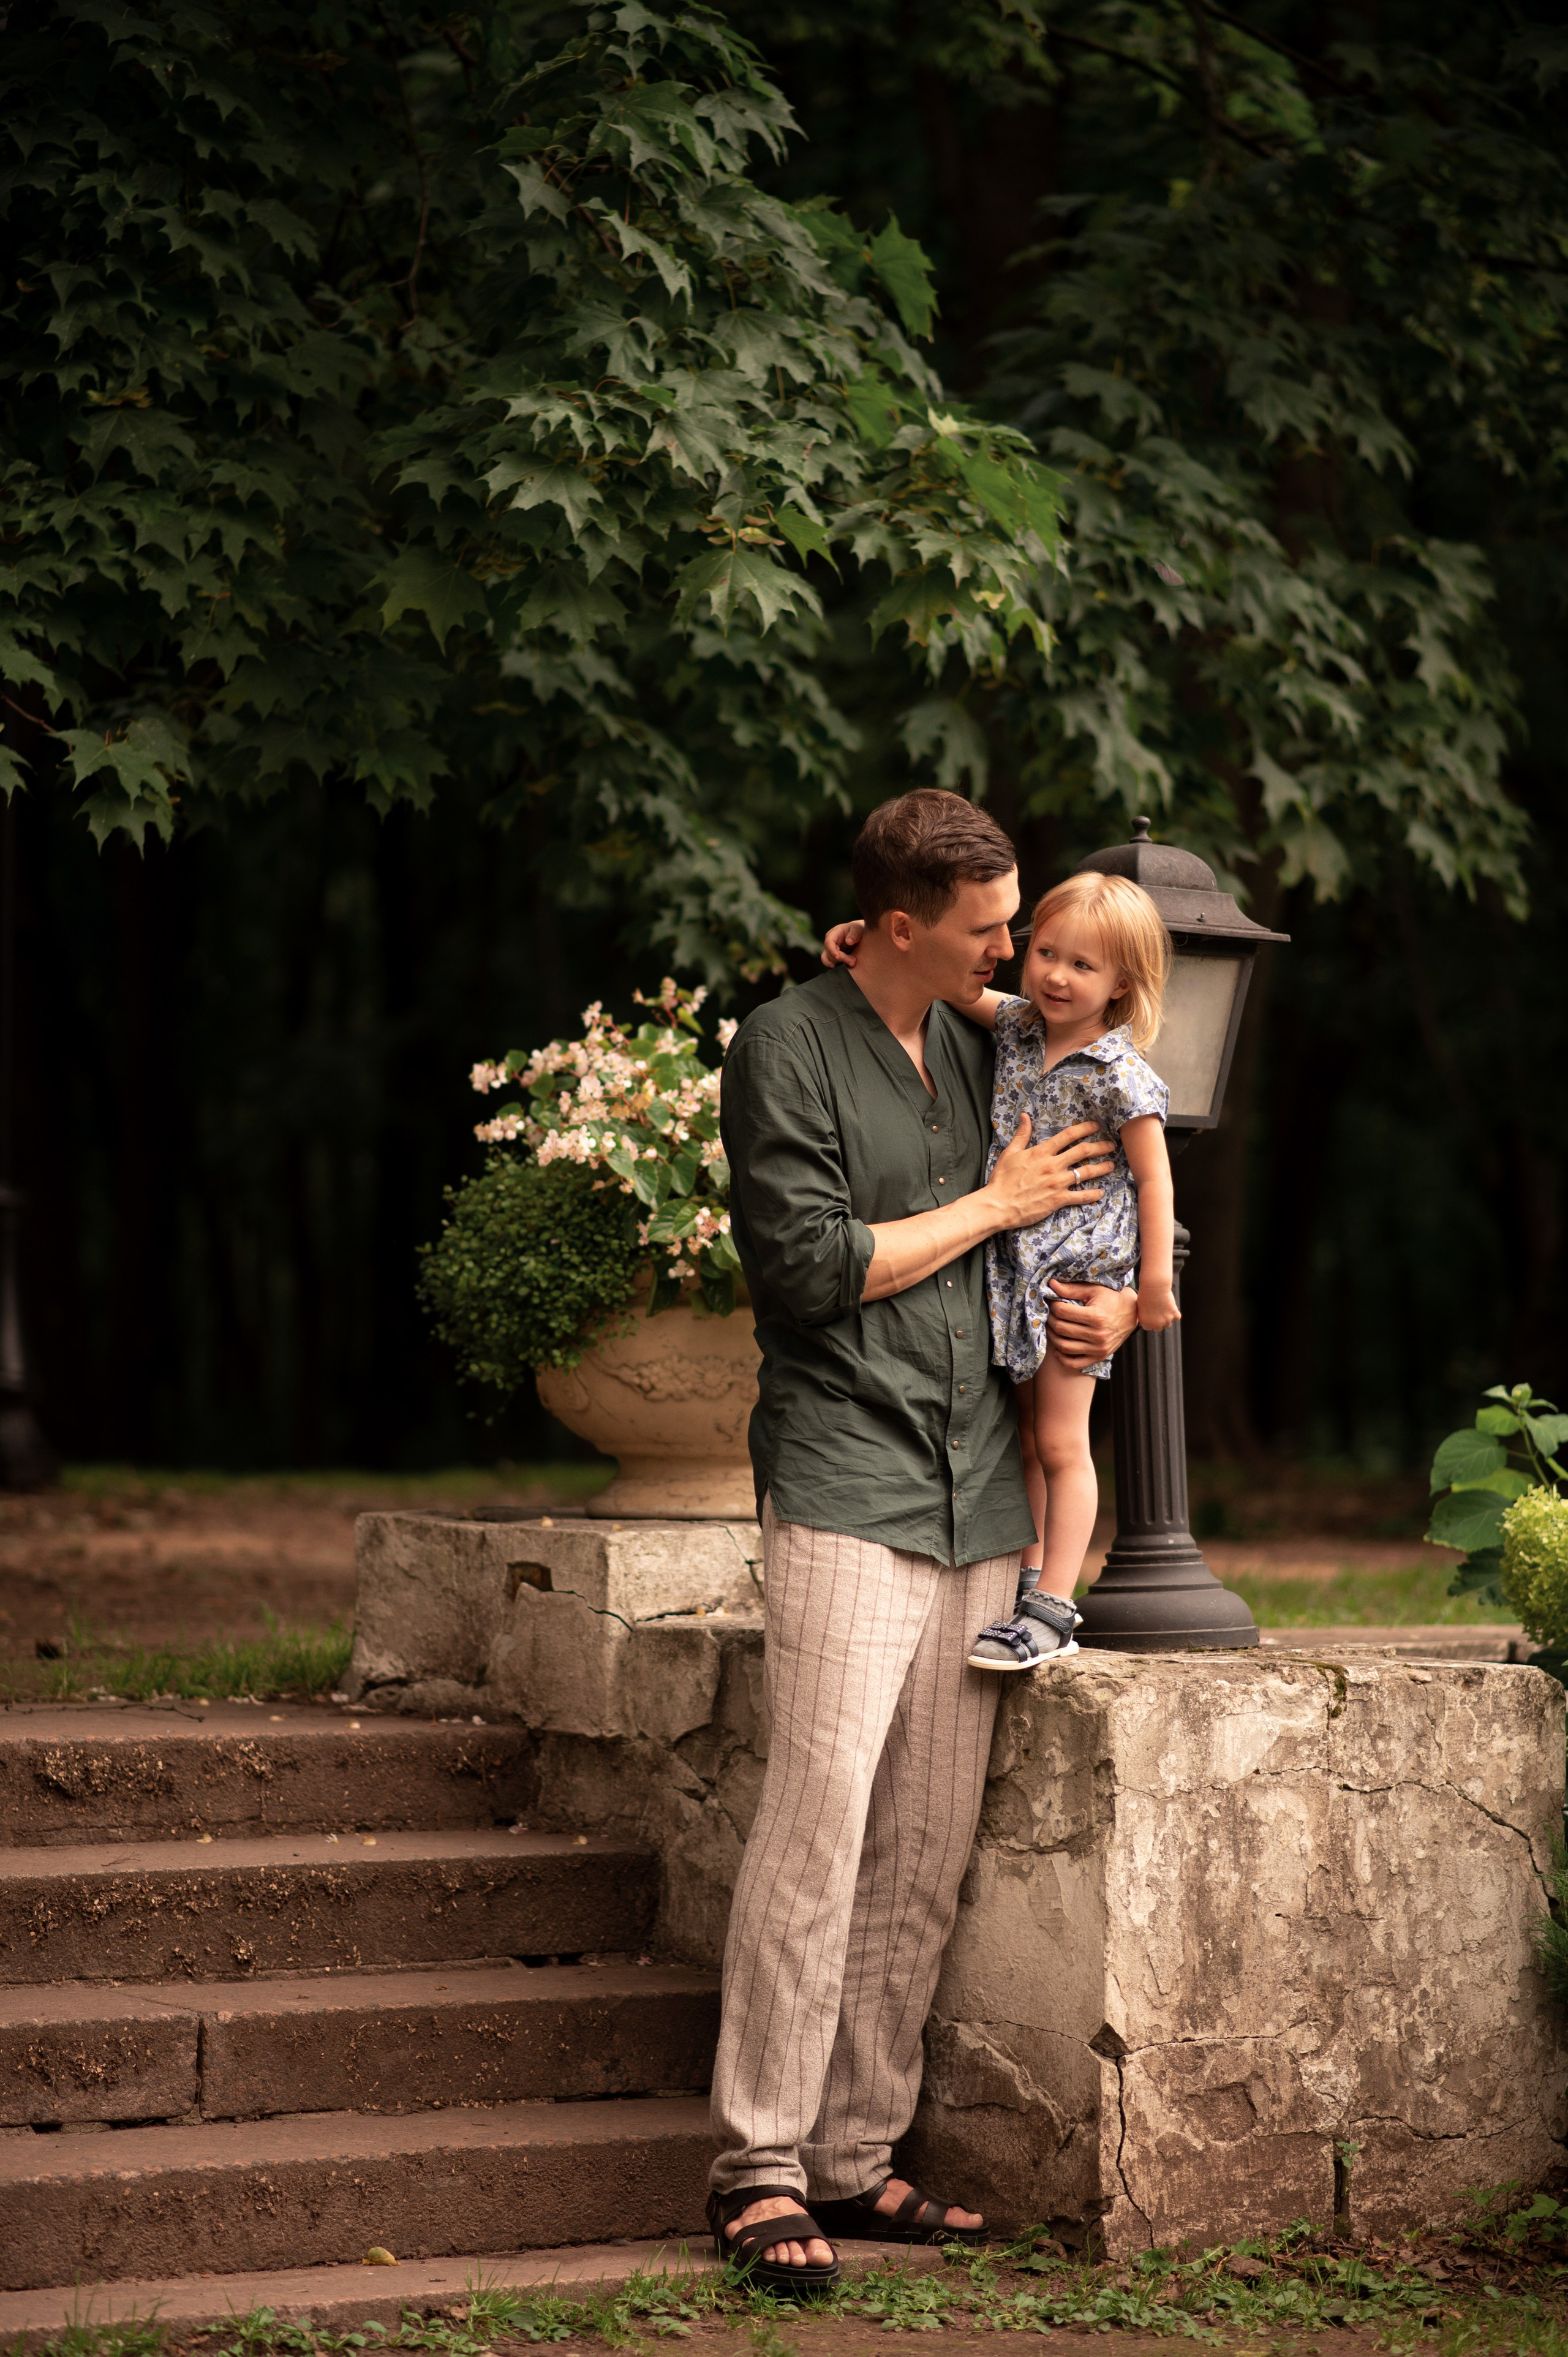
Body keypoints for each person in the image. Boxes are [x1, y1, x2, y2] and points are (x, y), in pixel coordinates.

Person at [706, 790, 1140, 2298]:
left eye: (1013, 926)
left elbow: (1080, 1179)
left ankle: (850, 2150)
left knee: (918, 1849)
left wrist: (1095, 1299)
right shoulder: (784, 1048)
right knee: (817, 1827)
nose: (1013, 952)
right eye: (982, 929)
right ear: (896, 927)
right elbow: (815, 1269)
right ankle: (757, 2163)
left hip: (983, 1493)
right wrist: (993, 1198)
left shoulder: (992, 1039)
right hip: (844, 1475)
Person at [825, 869, 1175, 1672]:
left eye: (1082, 967)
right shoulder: (1017, 1026)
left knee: (1062, 1443)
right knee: (1023, 1440)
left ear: (1121, 983)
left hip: (1072, 1285)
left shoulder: (1119, 1072)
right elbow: (947, 987)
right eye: (1047, 952)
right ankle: (1024, 1584)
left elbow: (1155, 1178)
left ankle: (1054, 1606)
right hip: (1009, 1272)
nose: (1054, 974)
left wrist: (1156, 1281)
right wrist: (864, 938)